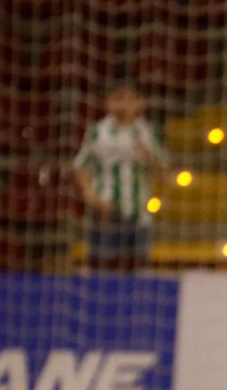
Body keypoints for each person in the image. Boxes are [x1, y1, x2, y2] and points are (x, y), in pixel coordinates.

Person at [72, 82, 168, 270]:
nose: (123, 105)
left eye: (129, 100)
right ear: (108, 103)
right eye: (118, 99)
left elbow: (164, 173)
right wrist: (90, 195)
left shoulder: (148, 132)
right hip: (105, 212)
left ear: (141, 103)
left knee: (137, 268)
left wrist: (148, 155)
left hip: (139, 211)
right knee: (101, 267)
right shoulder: (98, 131)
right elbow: (80, 167)